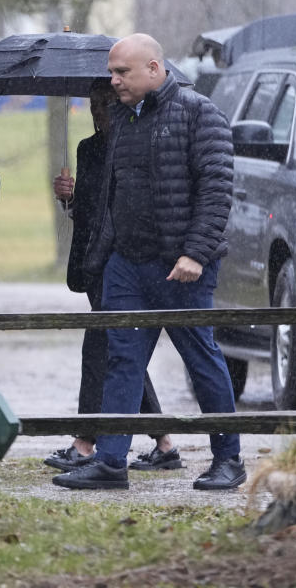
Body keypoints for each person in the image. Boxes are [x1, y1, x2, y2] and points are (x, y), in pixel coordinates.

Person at [52, 33, 244, 492]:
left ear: (154, 69)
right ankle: (111, 461)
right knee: (121, 361)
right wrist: (103, 253)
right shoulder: (121, 119)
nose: (113, 81)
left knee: (201, 360)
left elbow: (217, 190)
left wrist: (195, 254)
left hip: (182, 267)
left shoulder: (200, 113)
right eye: (112, 72)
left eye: (122, 72)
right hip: (127, 265)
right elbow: (112, 194)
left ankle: (228, 459)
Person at [44, 81, 182, 474]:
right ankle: (164, 441)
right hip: (93, 262)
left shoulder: (134, 145)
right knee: (123, 351)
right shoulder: (88, 149)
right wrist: (69, 199)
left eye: (103, 104)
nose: (96, 112)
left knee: (101, 348)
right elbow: (89, 210)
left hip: (121, 262)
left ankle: (85, 443)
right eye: (91, 105)